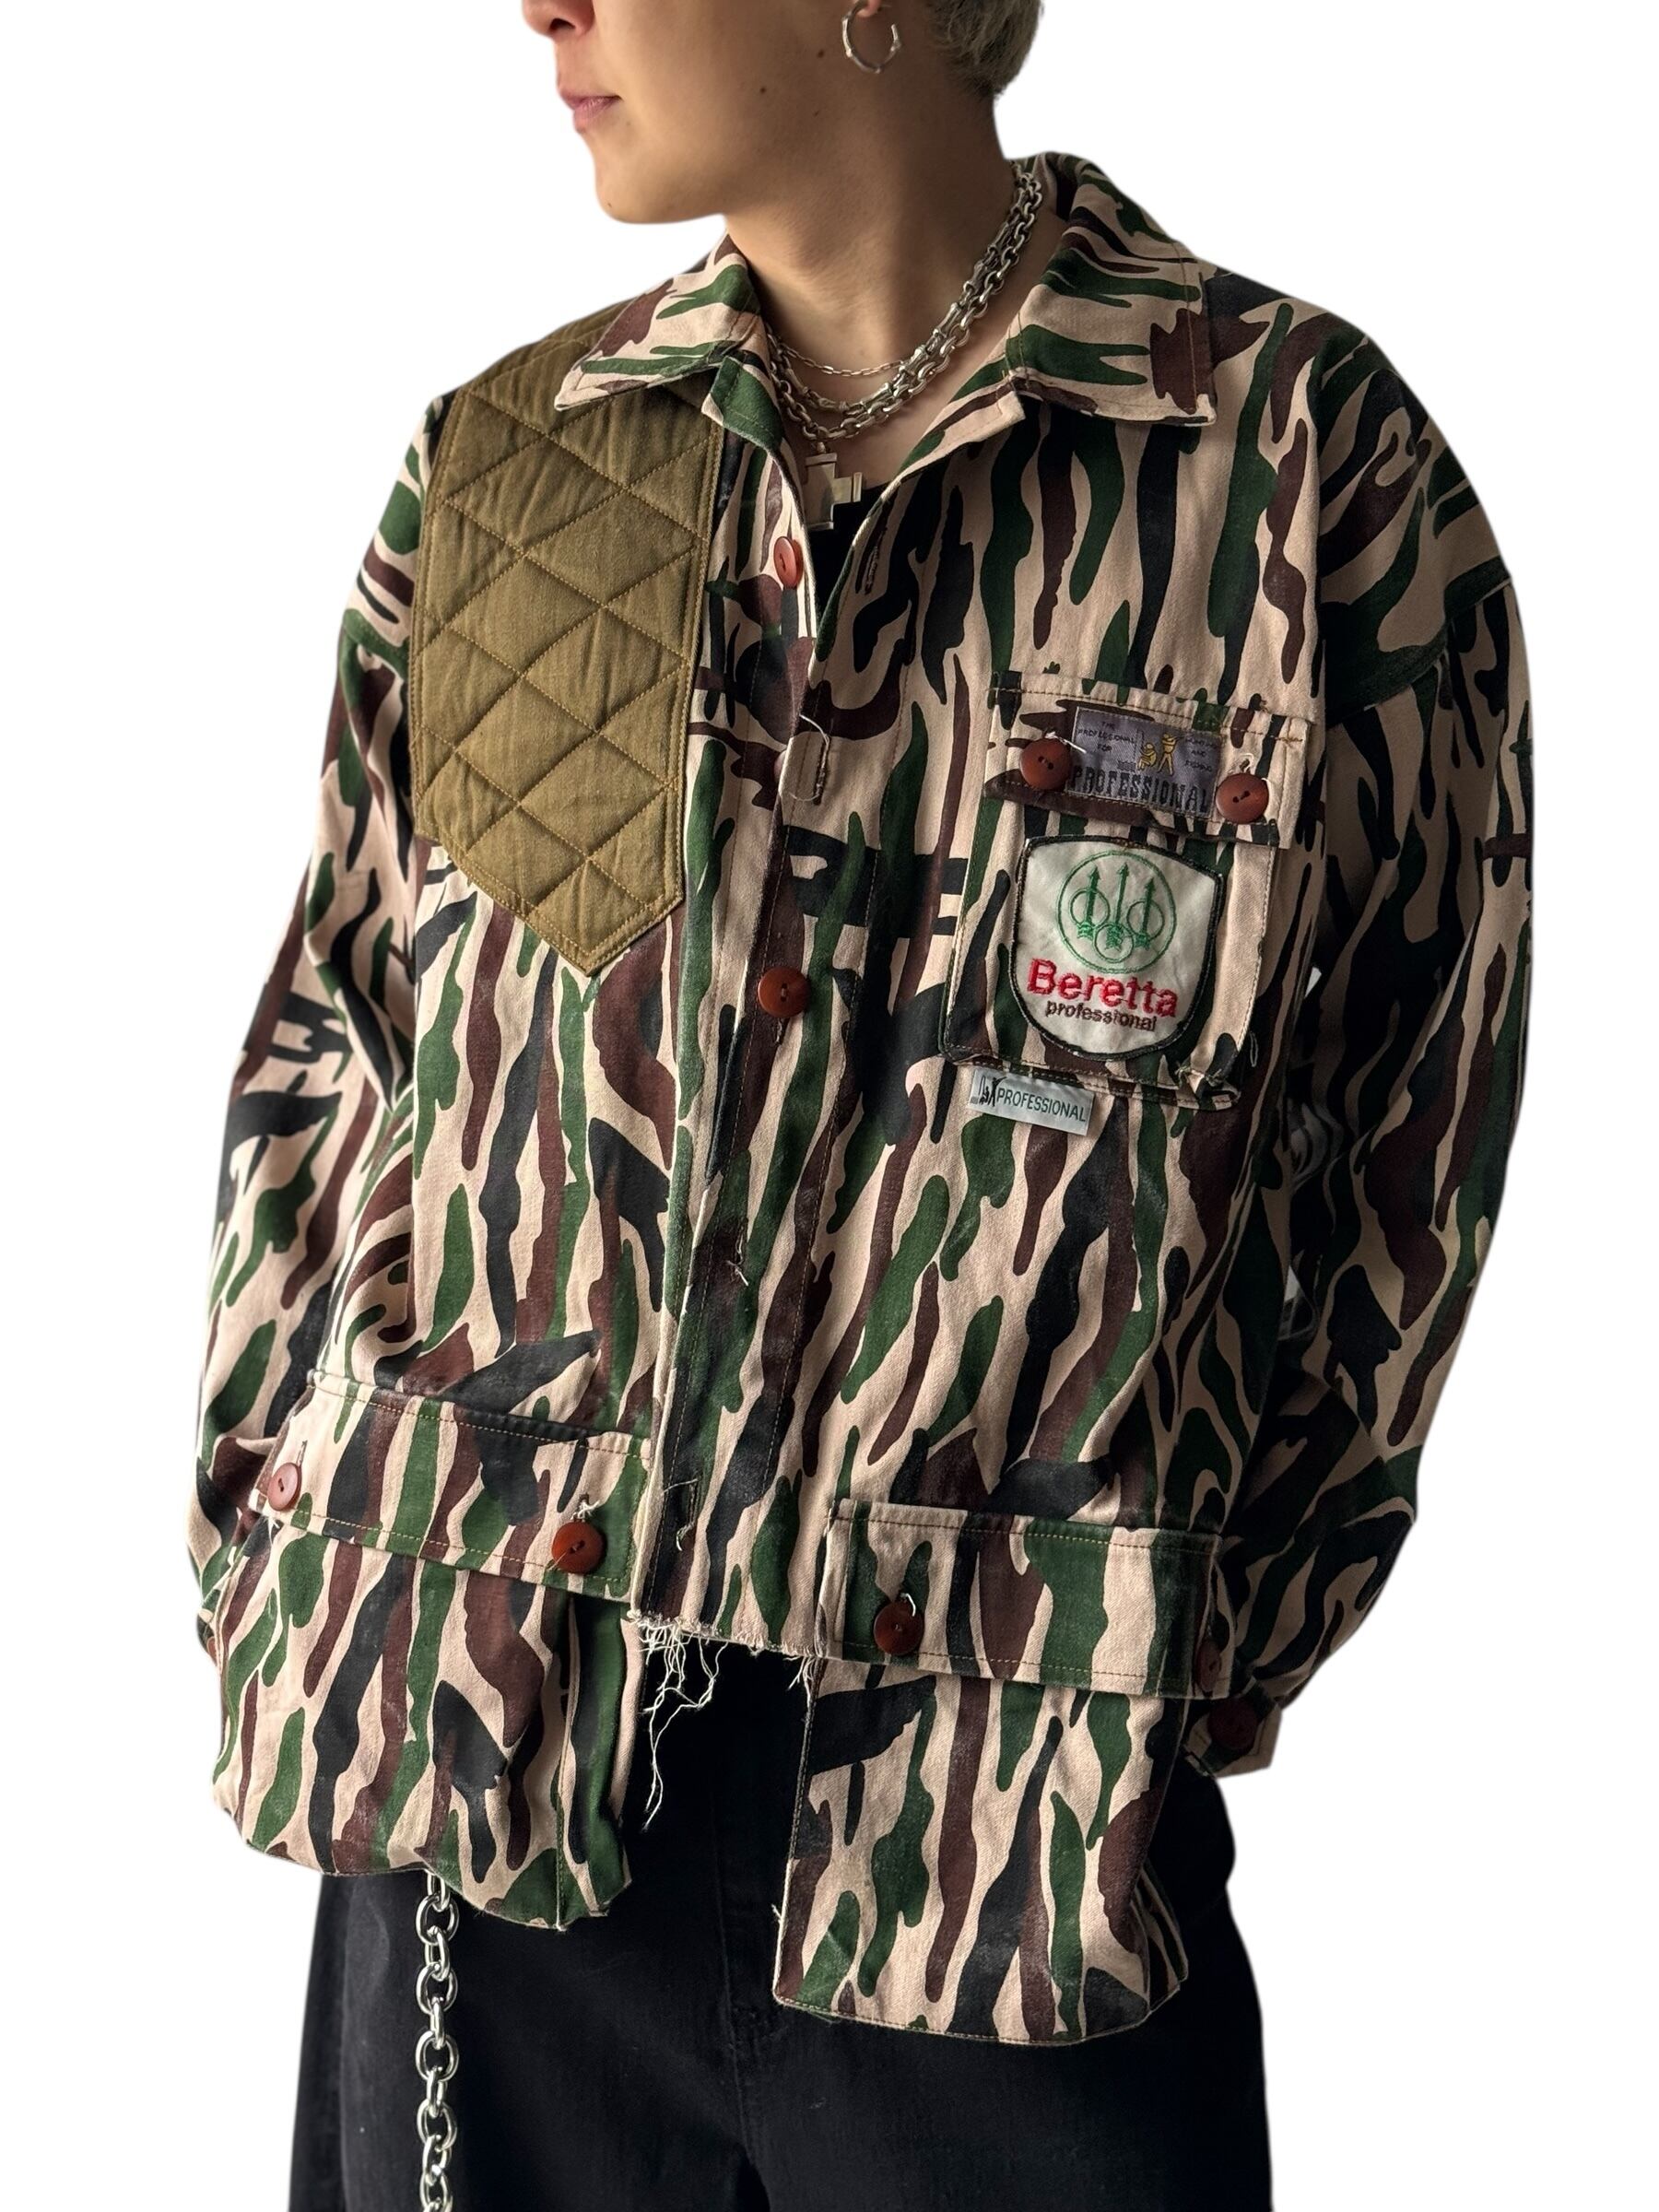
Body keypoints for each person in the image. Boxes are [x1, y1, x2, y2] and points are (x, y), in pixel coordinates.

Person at [188, 3, 1534, 2206]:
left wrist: (1177, 1651)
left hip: (1005, 1848)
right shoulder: (520, 467)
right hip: (485, 1791)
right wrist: (285, 1561)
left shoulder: (1291, 473)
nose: (540, 5)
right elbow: (336, 1067)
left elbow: (1410, 1124)